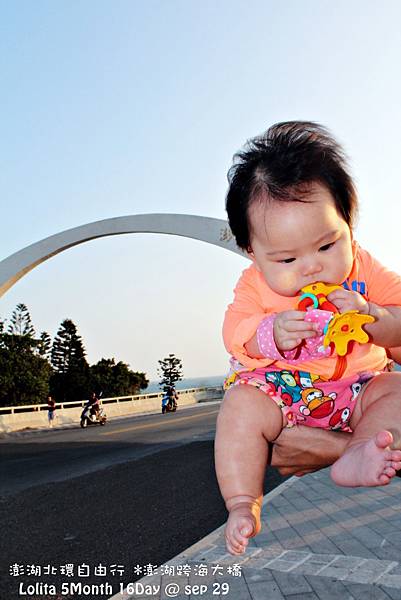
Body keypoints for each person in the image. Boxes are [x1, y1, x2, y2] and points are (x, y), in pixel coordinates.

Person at [214, 121, 401, 556]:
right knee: (241, 405)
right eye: (286, 258)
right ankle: (243, 501)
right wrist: (270, 333)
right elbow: (234, 332)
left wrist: (377, 318)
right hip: (287, 389)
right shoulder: (254, 285)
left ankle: (358, 451)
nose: (311, 268)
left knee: (394, 390)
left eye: (327, 245)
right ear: (252, 254)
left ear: (348, 223)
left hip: (358, 388)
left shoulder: (365, 269)